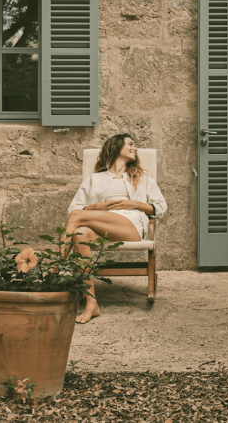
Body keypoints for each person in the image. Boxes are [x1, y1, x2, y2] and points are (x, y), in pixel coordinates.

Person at [64, 134, 167, 323]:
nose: (134, 148)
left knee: (77, 217)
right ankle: (91, 303)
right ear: (117, 147)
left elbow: (160, 207)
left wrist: (134, 204)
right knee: (79, 233)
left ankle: (55, 266)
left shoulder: (143, 178)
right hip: (101, 226)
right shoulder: (94, 179)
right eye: (130, 144)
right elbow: (73, 207)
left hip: (131, 226)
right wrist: (97, 207)